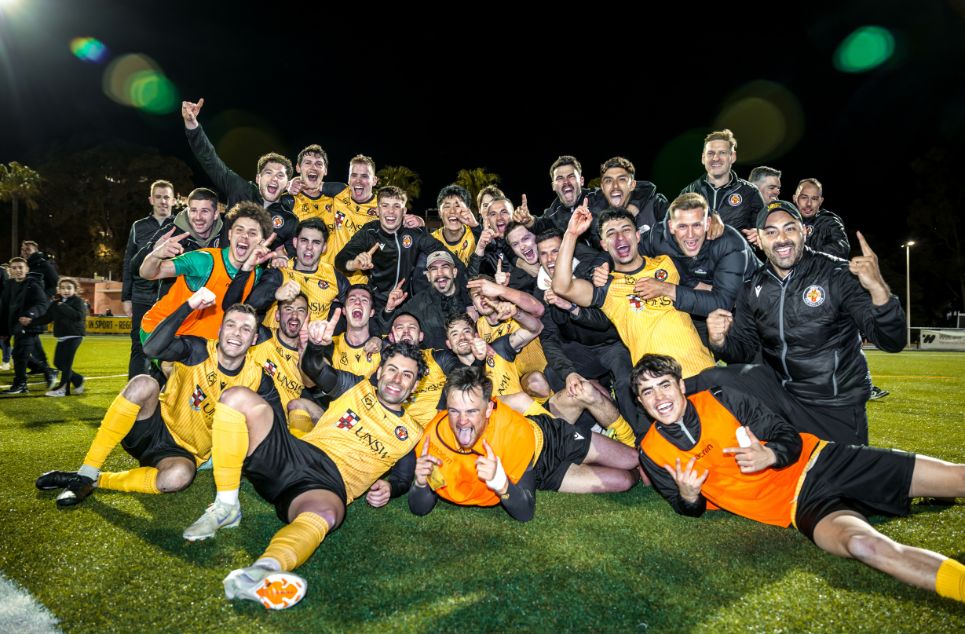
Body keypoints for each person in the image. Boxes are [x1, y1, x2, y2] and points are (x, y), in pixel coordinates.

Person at [632, 353, 965, 605]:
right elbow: (684, 507)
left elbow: (785, 434)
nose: (660, 398)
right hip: (801, 507)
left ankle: (942, 491)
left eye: (664, 385)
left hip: (825, 461)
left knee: (957, 478)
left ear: (680, 385)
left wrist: (771, 455)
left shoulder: (722, 398)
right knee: (864, 545)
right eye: (647, 392)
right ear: (641, 403)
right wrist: (690, 496)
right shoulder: (651, 451)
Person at [183, 310, 427, 609]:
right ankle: (226, 506)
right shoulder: (356, 386)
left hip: (325, 487)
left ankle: (262, 572)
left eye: (407, 375)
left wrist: (391, 488)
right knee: (235, 397)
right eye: (391, 370)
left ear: (414, 386)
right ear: (379, 372)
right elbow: (314, 368)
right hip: (295, 454)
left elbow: (404, 476)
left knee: (327, 514)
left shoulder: (411, 432)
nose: (396, 379)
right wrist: (315, 346)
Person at [35, 294, 272, 506]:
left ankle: (89, 481)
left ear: (253, 339)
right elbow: (151, 348)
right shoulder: (198, 350)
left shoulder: (256, 377)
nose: (236, 333)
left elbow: (271, 422)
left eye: (245, 329)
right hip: (151, 426)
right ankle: (88, 471)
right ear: (220, 330)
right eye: (230, 325)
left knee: (178, 478)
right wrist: (188, 305)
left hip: (182, 454)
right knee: (144, 383)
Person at [705, 200, 904, 444]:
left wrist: (879, 291)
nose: (782, 239)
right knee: (717, 379)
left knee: (839, 480)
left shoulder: (837, 274)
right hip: (783, 402)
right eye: (771, 232)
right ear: (758, 238)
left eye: (789, 229)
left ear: (804, 232)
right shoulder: (751, 287)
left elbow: (892, 341)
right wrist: (720, 341)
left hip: (835, 405)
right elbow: (743, 352)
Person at [408, 366, 638, 521]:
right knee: (624, 480)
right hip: (539, 472)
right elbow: (525, 511)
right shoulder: (434, 442)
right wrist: (420, 483)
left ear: (489, 409)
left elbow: (519, 402)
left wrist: (500, 481)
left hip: (551, 437)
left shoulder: (511, 433)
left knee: (632, 459)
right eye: (454, 411)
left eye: (471, 411)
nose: (462, 421)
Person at [552, 204, 715, 378]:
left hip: (703, 370)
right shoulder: (606, 286)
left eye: (626, 229)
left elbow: (713, 296)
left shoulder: (667, 263)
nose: (619, 237)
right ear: (604, 245)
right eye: (611, 233)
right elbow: (562, 286)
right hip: (658, 387)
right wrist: (571, 234)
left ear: (637, 236)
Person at [631, 193, 760, 346]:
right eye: (682, 226)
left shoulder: (729, 242)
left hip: (748, 307)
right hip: (699, 299)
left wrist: (666, 289)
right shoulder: (657, 237)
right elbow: (624, 253)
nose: (690, 235)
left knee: (738, 358)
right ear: (671, 226)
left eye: (697, 225)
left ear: (708, 223)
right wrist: (599, 268)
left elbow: (723, 304)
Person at [139, 202, 275, 342]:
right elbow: (149, 273)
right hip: (162, 333)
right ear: (229, 234)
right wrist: (155, 255)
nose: (245, 236)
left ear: (262, 242)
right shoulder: (204, 261)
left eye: (252, 233)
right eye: (239, 230)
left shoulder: (256, 273)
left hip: (203, 345)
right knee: (171, 363)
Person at [180, 98, 299, 254]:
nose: (274, 179)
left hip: (257, 277)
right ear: (258, 178)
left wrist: (280, 256)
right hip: (222, 271)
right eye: (268, 173)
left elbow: (294, 251)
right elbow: (210, 159)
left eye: (280, 175)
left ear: (286, 183)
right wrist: (192, 125)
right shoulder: (240, 189)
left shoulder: (289, 219)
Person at [335, 186, 446, 311]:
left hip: (408, 302)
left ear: (404, 211)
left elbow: (443, 253)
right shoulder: (369, 232)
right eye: (385, 205)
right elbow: (340, 259)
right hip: (377, 303)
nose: (391, 211)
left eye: (396, 206)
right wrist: (353, 264)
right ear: (377, 210)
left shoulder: (414, 232)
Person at [232, 218, 348, 325]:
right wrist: (275, 293)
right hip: (272, 343)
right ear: (295, 242)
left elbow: (355, 302)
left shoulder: (333, 275)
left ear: (324, 248)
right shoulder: (280, 270)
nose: (309, 247)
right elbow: (251, 304)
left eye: (316, 242)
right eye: (304, 240)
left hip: (310, 344)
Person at [131, 187, 224, 303]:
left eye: (204, 211)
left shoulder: (226, 235)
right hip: (175, 311)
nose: (198, 217)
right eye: (193, 210)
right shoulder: (172, 232)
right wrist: (154, 249)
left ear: (215, 214)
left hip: (212, 310)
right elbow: (135, 267)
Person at [123, 180, 175, 378]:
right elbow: (129, 262)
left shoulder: (180, 225)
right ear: (151, 199)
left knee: (166, 346)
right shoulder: (138, 226)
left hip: (169, 297)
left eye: (167, 197)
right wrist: (126, 297)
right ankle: (133, 397)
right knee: (138, 346)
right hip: (141, 296)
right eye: (159, 197)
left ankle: (162, 394)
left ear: (173, 200)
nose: (163, 201)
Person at [680, 129, 766, 242]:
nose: (715, 158)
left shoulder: (749, 192)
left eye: (722, 152)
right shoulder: (688, 193)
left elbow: (764, 229)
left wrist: (760, 234)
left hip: (737, 258)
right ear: (703, 158)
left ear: (733, 157)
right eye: (710, 153)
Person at [0, 257, 54, 393]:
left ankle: (20, 384)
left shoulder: (33, 284)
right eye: (14, 268)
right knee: (19, 354)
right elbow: (4, 308)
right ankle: (48, 370)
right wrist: (4, 330)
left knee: (19, 355)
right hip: (16, 326)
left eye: (20, 267)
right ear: (10, 270)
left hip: (30, 325)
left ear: (27, 269)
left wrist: (30, 315)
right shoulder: (9, 285)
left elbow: (43, 304)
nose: (17, 270)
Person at [38, 278, 87, 396]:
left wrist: (63, 306)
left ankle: (63, 389)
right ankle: (78, 379)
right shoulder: (55, 303)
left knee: (66, 364)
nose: (65, 290)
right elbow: (47, 318)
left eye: (69, 288)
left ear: (75, 290)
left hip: (75, 335)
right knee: (58, 363)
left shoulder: (77, 301)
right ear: (58, 290)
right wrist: (30, 321)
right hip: (62, 337)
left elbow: (78, 316)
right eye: (63, 288)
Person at [793, 178, 850, 260]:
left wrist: (803, 255)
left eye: (814, 199)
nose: (809, 204)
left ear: (820, 201)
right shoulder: (786, 222)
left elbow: (841, 249)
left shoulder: (829, 221)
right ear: (795, 198)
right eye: (804, 197)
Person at [432, 185, 479, 265]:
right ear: (440, 213)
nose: (453, 211)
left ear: (467, 210)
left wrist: (476, 227)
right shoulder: (432, 240)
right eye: (447, 206)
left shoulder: (476, 236)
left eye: (458, 206)